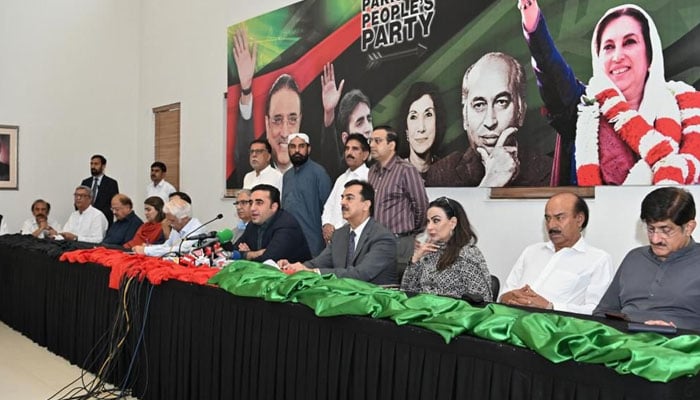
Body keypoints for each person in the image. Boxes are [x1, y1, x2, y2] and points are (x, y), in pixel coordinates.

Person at [519, 1, 700, 186]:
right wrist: (534, 30)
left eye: (629, 42)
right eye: (608, 47)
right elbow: (551, 71)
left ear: (651, 56)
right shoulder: (583, 107)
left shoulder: (684, 111)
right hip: (595, 215)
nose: (617, 56)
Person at [426, 52, 550, 187]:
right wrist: (492, 181)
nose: (490, 122)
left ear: (521, 111)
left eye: (501, 102)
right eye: (479, 105)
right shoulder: (441, 174)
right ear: (465, 116)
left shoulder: (548, 172)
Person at [594, 188, 700, 330]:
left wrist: (676, 332)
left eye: (665, 230)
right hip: (625, 341)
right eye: (651, 229)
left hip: (680, 346)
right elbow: (600, 314)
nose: (655, 239)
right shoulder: (634, 258)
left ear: (688, 227)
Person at [499, 192, 614, 314]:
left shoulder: (598, 260)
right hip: (510, 320)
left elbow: (597, 311)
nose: (551, 225)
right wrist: (509, 297)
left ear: (579, 220)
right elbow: (504, 294)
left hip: (554, 328)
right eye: (548, 218)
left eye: (559, 218)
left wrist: (550, 307)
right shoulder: (531, 251)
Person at [280, 180, 397, 285]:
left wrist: (313, 272)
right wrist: (295, 266)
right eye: (342, 197)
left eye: (349, 198)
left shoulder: (383, 237)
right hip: (345, 296)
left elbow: (360, 274)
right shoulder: (340, 234)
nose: (342, 203)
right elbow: (318, 263)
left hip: (375, 299)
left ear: (366, 205)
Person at [401, 197, 493, 300]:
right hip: (425, 312)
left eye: (436, 220)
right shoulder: (428, 251)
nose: (430, 227)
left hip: (454, 314)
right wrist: (415, 259)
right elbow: (406, 294)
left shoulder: (468, 254)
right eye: (428, 221)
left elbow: (483, 300)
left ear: (452, 223)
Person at [368, 126, 429, 279]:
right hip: (376, 242)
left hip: (400, 242)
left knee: (399, 285)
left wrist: (410, 234)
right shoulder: (372, 172)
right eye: (371, 141)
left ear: (391, 145)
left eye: (378, 141)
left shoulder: (406, 170)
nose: (372, 145)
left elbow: (421, 206)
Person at [227, 184, 311, 263]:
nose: (252, 208)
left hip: (291, 276)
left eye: (259, 203)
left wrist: (245, 255)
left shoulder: (286, 225)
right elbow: (231, 252)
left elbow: (268, 260)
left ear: (274, 207)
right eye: (251, 203)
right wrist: (252, 254)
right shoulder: (252, 224)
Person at [319, 63, 374, 179]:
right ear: (345, 138)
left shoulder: (384, 166)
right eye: (359, 123)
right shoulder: (342, 175)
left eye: (369, 119)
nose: (368, 129)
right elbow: (331, 161)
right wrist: (329, 112)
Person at [281, 133, 331, 257]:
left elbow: (328, 208)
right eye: (292, 146)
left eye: (301, 146)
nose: (296, 150)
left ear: (308, 149)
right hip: (289, 239)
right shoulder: (287, 176)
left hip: (312, 241)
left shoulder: (319, 173)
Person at [321, 133, 370, 243]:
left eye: (355, 149)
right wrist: (326, 224)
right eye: (347, 149)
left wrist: (339, 232)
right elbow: (329, 206)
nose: (349, 152)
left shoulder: (369, 178)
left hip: (355, 241)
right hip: (334, 242)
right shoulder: (341, 179)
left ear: (365, 155)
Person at [398, 82, 446, 176]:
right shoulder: (393, 175)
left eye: (428, 115)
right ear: (406, 129)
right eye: (413, 117)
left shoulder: (447, 173)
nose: (421, 128)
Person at [132, 198, 205, 257]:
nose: (169, 224)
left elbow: (181, 250)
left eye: (172, 221)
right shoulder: (176, 225)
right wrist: (149, 247)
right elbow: (167, 246)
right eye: (168, 220)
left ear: (184, 218)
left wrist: (146, 251)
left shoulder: (197, 229)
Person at [80, 154, 119, 226]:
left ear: (103, 166)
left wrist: (96, 215)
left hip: (103, 222)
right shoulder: (85, 182)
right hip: (86, 222)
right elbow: (79, 200)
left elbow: (113, 204)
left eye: (96, 164)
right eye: (91, 164)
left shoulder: (111, 183)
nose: (93, 166)